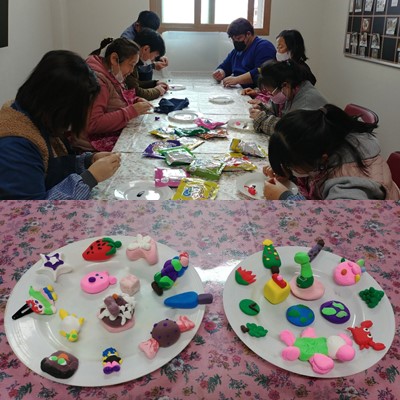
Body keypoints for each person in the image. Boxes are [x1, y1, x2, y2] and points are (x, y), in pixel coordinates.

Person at [0, 50, 120, 200]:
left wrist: (88, 161)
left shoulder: (36, 114)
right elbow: (32, 210)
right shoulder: (15, 147)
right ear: (58, 104)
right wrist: (89, 178)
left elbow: (51, 168)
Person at [263, 104, 400, 200]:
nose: (290, 168)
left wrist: (285, 197)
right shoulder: (326, 144)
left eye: (291, 165)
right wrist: (290, 175)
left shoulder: (349, 187)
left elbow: (333, 224)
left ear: (322, 158)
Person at [80, 37, 153, 152]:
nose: (132, 71)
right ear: (114, 59)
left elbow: (116, 99)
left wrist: (135, 101)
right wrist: (131, 111)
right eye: (131, 65)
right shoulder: (98, 82)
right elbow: (93, 124)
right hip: (91, 143)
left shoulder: (112, 73)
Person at [249, 60, 327, 135]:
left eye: (270, 92)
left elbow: (290, 131)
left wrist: (262, 120)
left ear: (285, 85)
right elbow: (277, 114)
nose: (270, 96)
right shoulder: (290, 90)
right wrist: (263, 109)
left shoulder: (306, 102)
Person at [242, 29, 316, 100]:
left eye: (281, 47)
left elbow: (282, 97)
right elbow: (274, 90)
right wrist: (258, 92)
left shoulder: (301, 71)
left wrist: (263, 102)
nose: (278, 51)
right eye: (277, 47)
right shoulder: (283, 67)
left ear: (293, 49)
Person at [212, 18, 276, 88]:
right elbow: (224, 66)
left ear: (248, 34)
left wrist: (237, 80)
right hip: (239, 88)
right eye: (233, 39)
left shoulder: (264, 47)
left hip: (255, 90)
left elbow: (262, 71)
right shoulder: (237, 51)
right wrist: (220, 72)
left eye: (239, 38)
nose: (236, 42)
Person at [121, 10, 168, 80]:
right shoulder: (127, 41)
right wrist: (153, 66)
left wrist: (158, 56)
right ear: (137, 25)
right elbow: (134, 66)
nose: (149, 34)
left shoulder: (144, 28)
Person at [125, 28, 169, 100]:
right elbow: (136, 92)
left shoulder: (133, 58)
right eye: (155, 56)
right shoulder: (129, 61)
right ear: (146, 49)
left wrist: (154, 83)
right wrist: (157, 91)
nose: (153, 60)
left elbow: (134, 83)